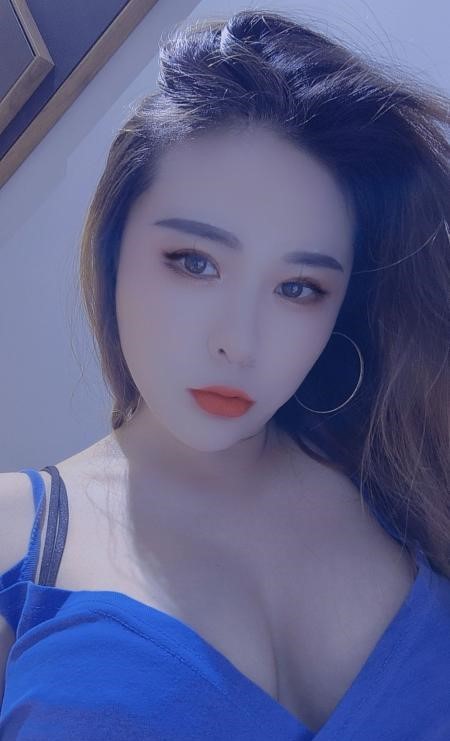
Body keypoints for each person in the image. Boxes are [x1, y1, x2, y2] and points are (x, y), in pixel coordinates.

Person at [0, 8, 449, 740]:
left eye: (298, 287)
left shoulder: (405, 469)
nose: (239, 344)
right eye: (195, 262)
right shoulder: (15, 532)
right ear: (114, 252)